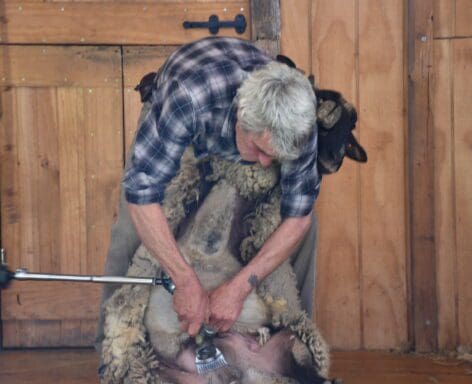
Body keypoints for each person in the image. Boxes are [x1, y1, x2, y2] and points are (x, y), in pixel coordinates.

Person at [96, 36, 322, 348]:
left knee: (306, 231)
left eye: (276, 157)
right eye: (259, 150)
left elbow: (299, 217)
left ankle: (298, 345)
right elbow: (141, 193)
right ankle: (114, 350)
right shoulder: (187, 97)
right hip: (186, 123)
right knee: (129, 231)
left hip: (242, 122)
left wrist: (239, 288)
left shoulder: (299, 124)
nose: (266, 163)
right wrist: (185, 279)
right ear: (242, 116)